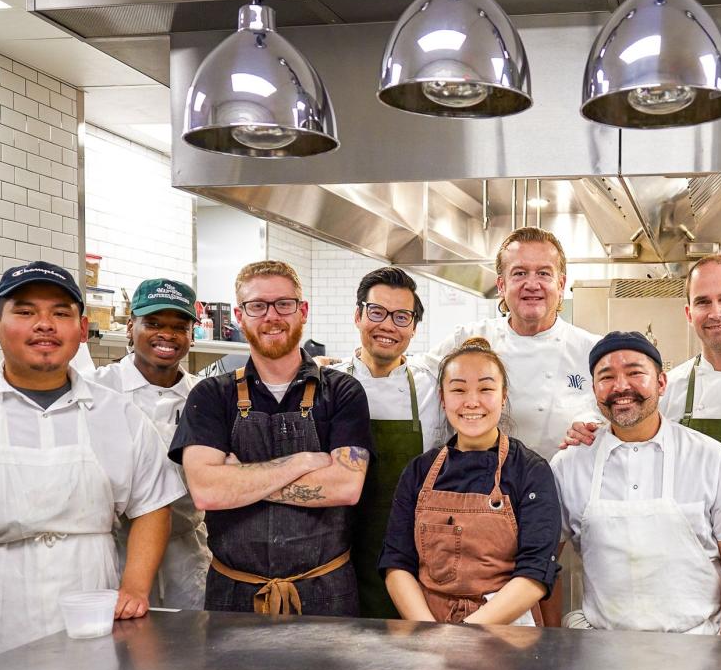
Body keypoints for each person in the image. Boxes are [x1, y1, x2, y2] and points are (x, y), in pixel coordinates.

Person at [561, 256, 721, 638]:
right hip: (683, 570)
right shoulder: (668, 390)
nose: (715, 312)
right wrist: (580, 432)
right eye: (703, 302)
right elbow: (620, 429)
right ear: (689, 313)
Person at [0, 261, 183, 670]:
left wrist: (134, 588)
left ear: (81, 328)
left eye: (61, 313)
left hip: (87, 622)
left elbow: (152, 503)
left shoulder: (118, 413)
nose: (45, 325)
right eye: (25, 312)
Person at [169, 260, 373, 616]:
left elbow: (346, 487)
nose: (272, 316)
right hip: (233, 598)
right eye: (257, 306)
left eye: (284, 304)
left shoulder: (342, 392)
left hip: (327, 593)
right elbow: (206, 491)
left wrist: (240, 479)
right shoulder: (211, 395)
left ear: (302, 310)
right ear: (239, 315)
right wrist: (301, 462)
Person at [553, 331, 721, 635]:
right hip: (602, 655)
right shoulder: (569, 465)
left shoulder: (710, 458)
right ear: (594, 389)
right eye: (607, 377)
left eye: (635, 373)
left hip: (697, 653)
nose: (621, 386)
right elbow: (541, 563)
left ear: (662, 383)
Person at [379, 337, 560, 625]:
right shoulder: (419, 471)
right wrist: (429, 632)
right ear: (442, 397)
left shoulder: (530, 470)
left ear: (503, 395)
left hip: (507, 631)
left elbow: (535, 573)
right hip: (429, 631)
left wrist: (466, 632)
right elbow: (396, 563)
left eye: (486, 389)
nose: (471, 402)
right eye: (458, 389)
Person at [332, 267, 445, 618]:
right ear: (357, 315)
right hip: (338, 558)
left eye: (401, 317)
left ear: (413, 327)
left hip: (412, 559)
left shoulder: (432, 390)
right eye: (376, 312)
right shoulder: (325, 385)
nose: (388, 326)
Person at [430, 227, 600, 461]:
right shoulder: (468, 339)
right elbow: (416, 378)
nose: (532, 284)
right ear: (501, 285)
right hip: (482, 486)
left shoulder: (593, 352)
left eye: (543, 273)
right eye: (519, 273)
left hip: (563, 490)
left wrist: (599, 431)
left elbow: (623, 419)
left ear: (560, 285)